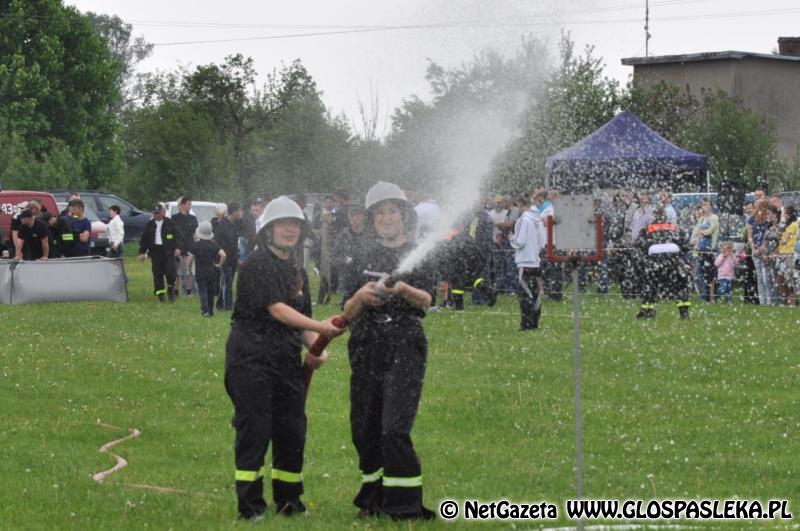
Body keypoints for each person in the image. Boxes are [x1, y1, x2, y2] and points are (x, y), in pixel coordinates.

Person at [224, 196, 343, 520]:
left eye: (295, 225)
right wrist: (320, 327)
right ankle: (250, 507)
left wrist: (314, 346)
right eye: (282, 224)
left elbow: (300, 316)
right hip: (251, 359)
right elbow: (278, 310)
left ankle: (290, 502)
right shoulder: (255, 265)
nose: (289, 230)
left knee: (292, 431)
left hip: (286, 360)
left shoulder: (296, 270)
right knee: (255, 430)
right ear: (268, 231)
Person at [343, 181, 436, 520]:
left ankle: (405, 506)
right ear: (371, 220)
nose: (386, 218)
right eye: (379, 213)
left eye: (392, 211)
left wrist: (403, 289)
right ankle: (373, 500)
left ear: (403, 215)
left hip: (404, 344)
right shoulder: (359, 256)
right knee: (365, 426)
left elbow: (427, 300)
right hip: (366, 344)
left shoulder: (418, 251)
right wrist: (360, 299)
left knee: (394, 426)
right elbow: (345, 310)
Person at [635, 207, 692, 319]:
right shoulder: (675, 228)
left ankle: (648, 312)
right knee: (681, 286)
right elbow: (685, 246)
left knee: (650, 286)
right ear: (666, 216)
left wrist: (646, 258)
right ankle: (684, 313)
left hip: (654, 261)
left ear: (654, 217)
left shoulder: (647, 229)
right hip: (672, 260)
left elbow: (639, 246)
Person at [509, 195, 545, 330]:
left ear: (521, 205)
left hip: (524, 263)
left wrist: (512, 239)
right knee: (535, 294)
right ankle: (535, 322)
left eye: (517, 206)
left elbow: (520, 241)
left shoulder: (523, 220)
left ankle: (526, 323)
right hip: (535, 262)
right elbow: (542, 242)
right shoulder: (538, 220)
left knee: (525, 295)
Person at [138, 203, 181, 302]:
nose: (157, 215)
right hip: (155, 252)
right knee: (157, 274)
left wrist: (178, 248)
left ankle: (170, 291)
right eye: (155, 213)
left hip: (168, 252)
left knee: (171, 273)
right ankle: (161, 295)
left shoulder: (170, 223)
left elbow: (178, 236)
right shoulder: (150, 225)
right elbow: (144, 239)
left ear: (163, 212)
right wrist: (142, 253)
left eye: (159, 213)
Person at [188, 221, 226, 317]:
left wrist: (189, 269)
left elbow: (190, 259)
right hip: (212, 271)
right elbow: (224, 255)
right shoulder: (214, 244)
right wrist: (219, 265)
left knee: (202, 291)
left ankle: (205, 311)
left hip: (200, 271)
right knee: (210, 292)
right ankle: (211, 311)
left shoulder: (196, 245)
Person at [333, 204, 366, 307]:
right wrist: (344, 260)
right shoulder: (343, 235)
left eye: (359, 216)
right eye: (354, 216)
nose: (357, 219)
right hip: (348, 276)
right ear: (350, 218)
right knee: (348, 305)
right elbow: (335, 256)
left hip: (364, 274)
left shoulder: (368, 234)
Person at [215, 202, 242, 311]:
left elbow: (235, 242)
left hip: (233, 258)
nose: (241, 213)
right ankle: (228, 306)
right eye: (239, 210)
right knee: (227, 281)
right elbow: (217, 243)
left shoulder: (235, 224)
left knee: (228, 282)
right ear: (234, 212)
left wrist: (237, 256)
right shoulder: (222, 225)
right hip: (224, 258)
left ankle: (220, 303)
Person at [172, 196, 199, 296]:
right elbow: (173, 233)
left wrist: (196, 245)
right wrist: (174, 247)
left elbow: (194, 234)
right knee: (177, 272)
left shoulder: (193, 218)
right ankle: (176, 291)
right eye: (188, 204)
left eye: (190, 204)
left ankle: (189, 291)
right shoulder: (175, 218)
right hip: (178, 248)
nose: (190, 206)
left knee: (189, 271)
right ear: (182, 205)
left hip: (189, 247)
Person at [777, 205, 798, 306]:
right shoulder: (786, 225)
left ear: (789, 214)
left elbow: (785, 241)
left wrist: (778, 238)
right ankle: (785, 301)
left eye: (785, 213)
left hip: (789, 254)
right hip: (782, 254)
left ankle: (792, 302)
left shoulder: (793, 225)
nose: (783, 215)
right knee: (780, 278)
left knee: (789, 279)